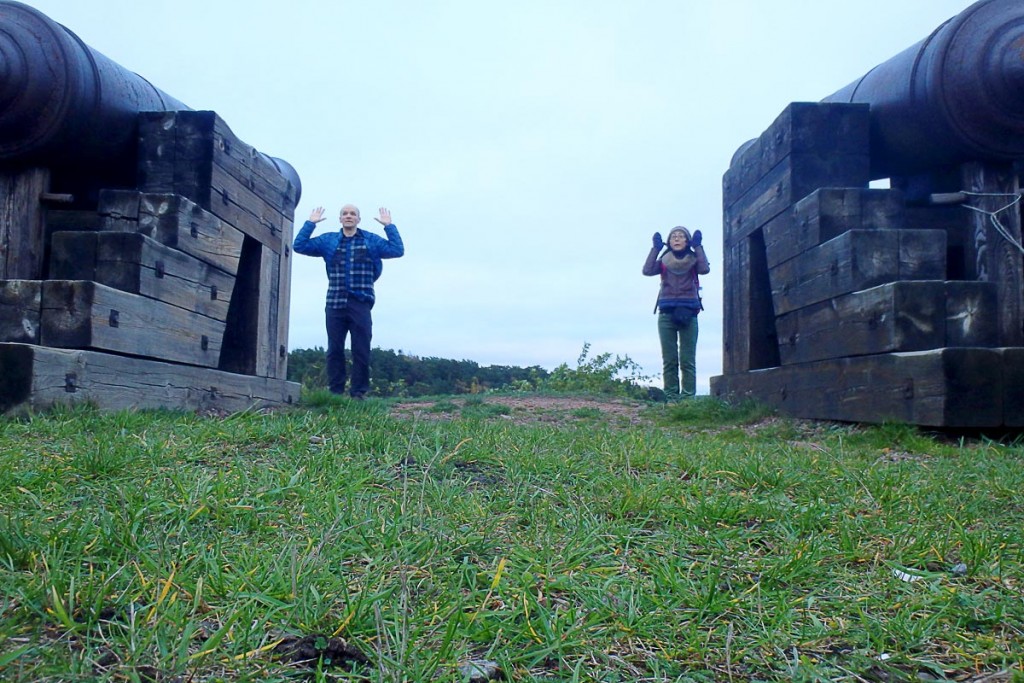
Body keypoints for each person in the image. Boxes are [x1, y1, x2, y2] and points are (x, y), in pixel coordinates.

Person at [293, 204, 404, 398]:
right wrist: (310, 223)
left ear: (358, 219)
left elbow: (397, 249)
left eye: (353, 214)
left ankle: (358, 393)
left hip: (360, 302)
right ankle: (335, 392)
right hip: (334, 302)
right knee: (334, 349)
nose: (349, 216)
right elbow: (299, 246)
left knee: (361, 349)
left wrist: (389, 226)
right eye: (345, 213)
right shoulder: (328, 241)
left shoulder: (370, 240)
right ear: (340, 219)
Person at [643, 226, 710, 399]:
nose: (677, 239)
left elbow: (704, 269)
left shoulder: (694, 260)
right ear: (669, 242)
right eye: (674, 237)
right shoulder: (664, 261)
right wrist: (656, 248)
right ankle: (671, 396)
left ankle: (688, 398)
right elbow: (647, 270)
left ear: (687, 241)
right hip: (666, 312)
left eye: (681, 236)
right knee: (670, 359)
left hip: (689, 312)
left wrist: (698, 247)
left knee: (687, 359)